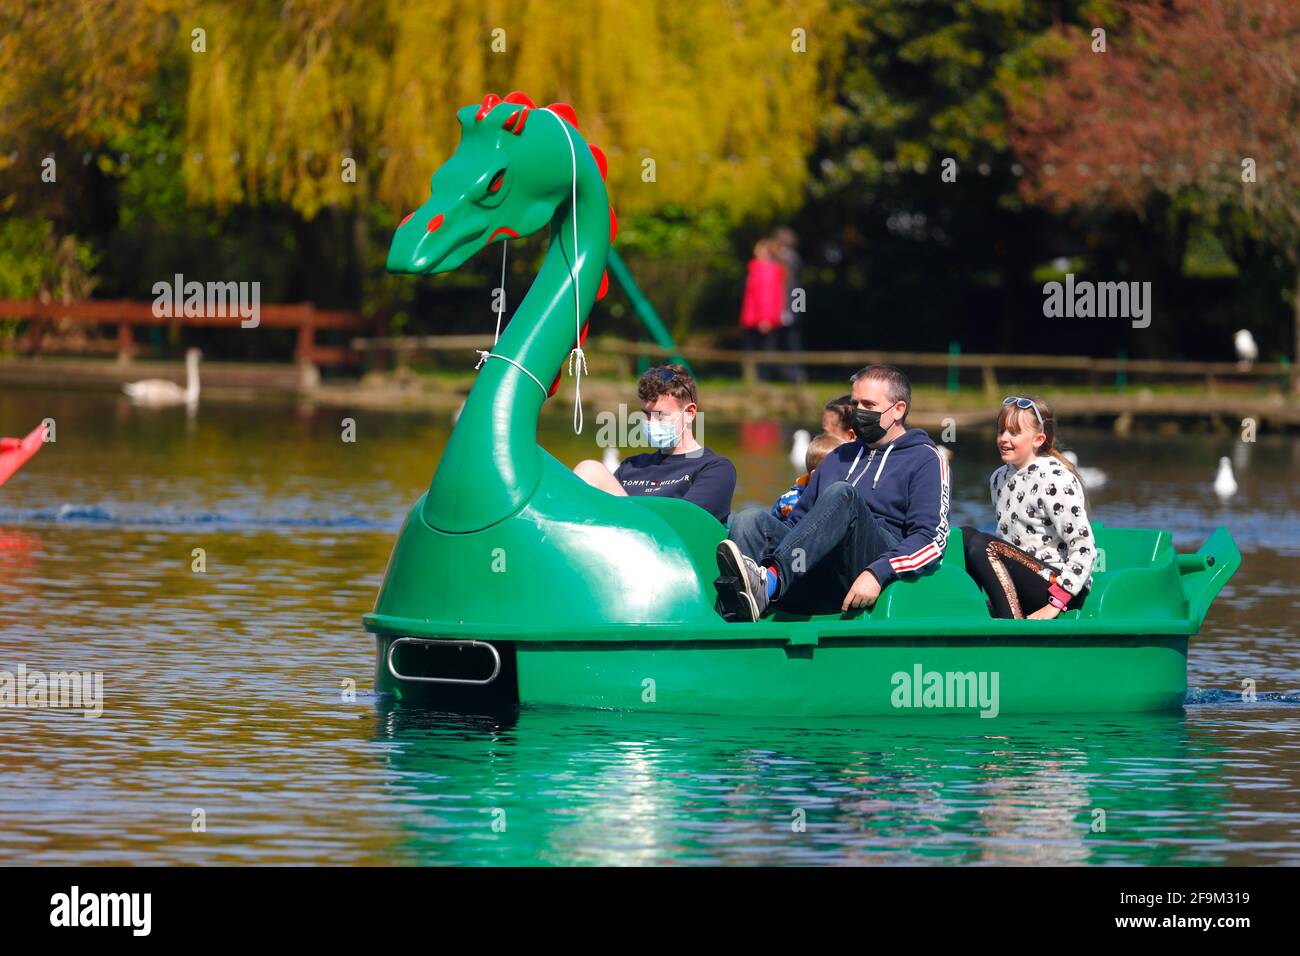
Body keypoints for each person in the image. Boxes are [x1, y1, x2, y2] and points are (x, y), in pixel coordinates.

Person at [715, 365, 951, 621]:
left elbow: (931, 540)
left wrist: (878, 572)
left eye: (869, 405)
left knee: (843, 495)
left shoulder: (925, 459)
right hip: (816, 573)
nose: (859, 412)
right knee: (750, 520)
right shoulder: (839, 456)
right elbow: (798, 524)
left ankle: (769, 582)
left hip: (872, 563)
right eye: (855, 404)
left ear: (898, 409)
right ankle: (735, 615)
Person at [961, 397, 1096, 619]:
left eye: (1014, 433)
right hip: (1021, 581)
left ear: (1038, 439)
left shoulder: (1055, 478)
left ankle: (1012, 626)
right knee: (965, 536)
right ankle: (970, 613)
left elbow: (1084, 548)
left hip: (1057, 588)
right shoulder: (999, 477)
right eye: (1001, 431)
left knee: (983, 544)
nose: (1004, 439)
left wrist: (1056, 603)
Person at [574, 364, 737, 524]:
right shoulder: (630, 466)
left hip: (666, 544)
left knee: (591, 469)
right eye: (646, 414)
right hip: (622, 538)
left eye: (660, 415)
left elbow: (685, 523)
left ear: (689, 413)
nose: (650, 423)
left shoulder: (715, 468)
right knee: (588, 470)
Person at [739, 239, 786, 383]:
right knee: (757, 351)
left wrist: (764, 318)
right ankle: (757, 380)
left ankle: (762, 381)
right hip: (754, 317)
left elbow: (766, 296)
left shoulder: (765, 269)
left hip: (760, 319)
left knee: (763, 351)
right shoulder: (757, 268)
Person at [771, 432, 846, 520]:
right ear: (816, 476)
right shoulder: (790, 503)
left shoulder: (843, 499)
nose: (845, 477)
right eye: (839, 473)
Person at [771, 227, 806, 384]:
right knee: (789, 341)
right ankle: (789, 374)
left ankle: (795, 374)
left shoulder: (790, 259)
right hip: (791, 305)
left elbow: (794, 290)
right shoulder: (790, 259)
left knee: (791, 342)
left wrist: (794, 311)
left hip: (789, 306)